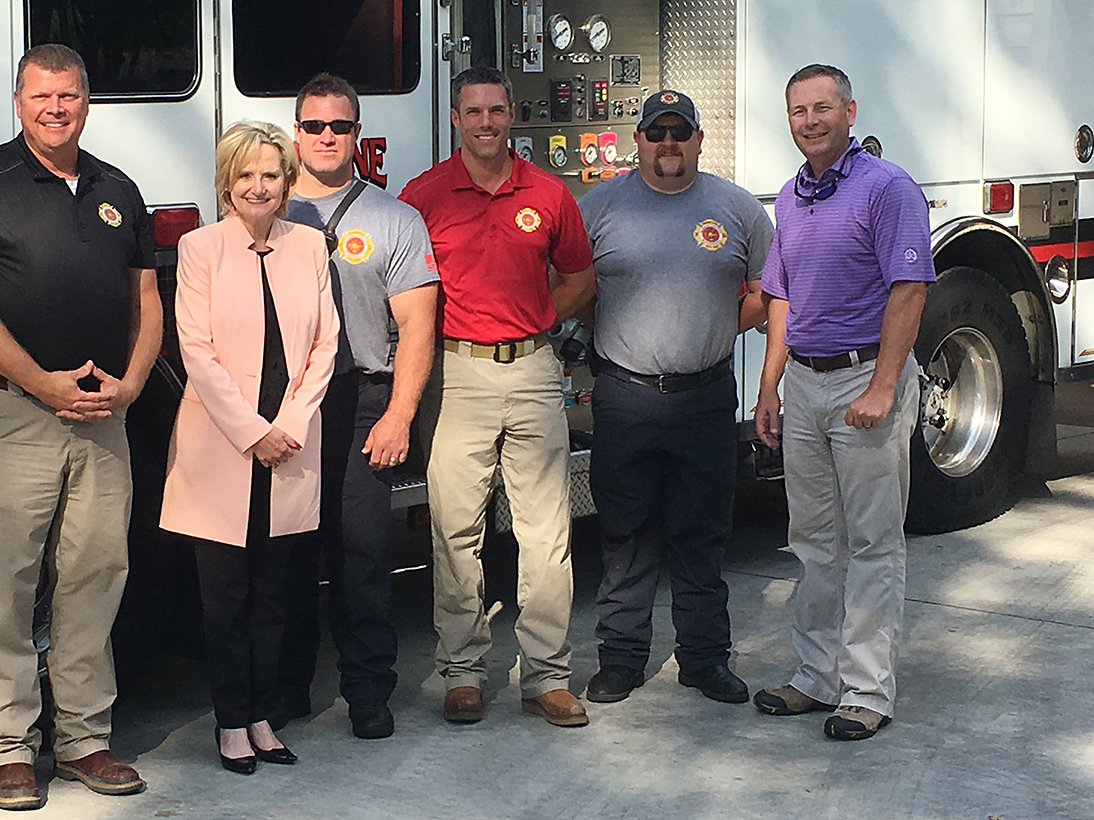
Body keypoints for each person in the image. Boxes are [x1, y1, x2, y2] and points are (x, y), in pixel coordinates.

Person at [0, 44, 159, 807]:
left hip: (100, 414)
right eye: (40, 97)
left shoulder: (116, 187)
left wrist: (128, 387)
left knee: (96, 575)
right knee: (2, 578)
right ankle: (10, 749)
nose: (54, 109)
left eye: (68, 96)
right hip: (10, 408)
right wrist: (39, 382)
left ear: (87, 101)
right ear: (17, 102)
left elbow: (148, 301)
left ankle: (86, 739)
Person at [399, 66, 596, 727]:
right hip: (455, 376)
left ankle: (546, 677)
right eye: (473, 111)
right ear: (455, 118)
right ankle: (463, 674)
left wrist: (537, 318)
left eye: (496, 110)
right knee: (455, 530)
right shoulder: (423, 196)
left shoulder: (547, 192)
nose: (486, 122)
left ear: (512, 114)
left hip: (535, 371)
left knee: (546, 532)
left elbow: (579, 276)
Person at [753, 64, 934, 741]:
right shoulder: (790, 195)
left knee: (872, 543)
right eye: (798, 111)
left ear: (850, 112)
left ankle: (866, 689)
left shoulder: (886, 189)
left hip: (865, 381)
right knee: (814, 541)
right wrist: (770, 386)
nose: (809, 121)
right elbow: (783, 298)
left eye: (822, 108)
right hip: (803, 384)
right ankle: (815, 676)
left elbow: (909, 289)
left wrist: (885, 386)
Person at [575, 90, 772, 706]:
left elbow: (770, 291)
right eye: (655, 132)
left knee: (702, 535)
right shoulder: (599, 207)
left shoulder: (737, 209)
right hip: (624, 396)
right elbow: (572, 288)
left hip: (705, 397)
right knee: (625, 536)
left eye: (678, 132)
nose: (667, 143)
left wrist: (716, 323)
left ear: (697, 138)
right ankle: (621, 659)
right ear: (637, 140)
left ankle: (705, 660)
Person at [160, 121, 339, 774]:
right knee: (225, 597)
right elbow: (197, 354)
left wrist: (287, 425)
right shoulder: (200, 248)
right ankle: (231, 721)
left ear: (287, 181)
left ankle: (263, 714)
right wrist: (253, 432)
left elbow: (325, 343)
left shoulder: (311, 247)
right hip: (223, 448)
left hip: (290, 447)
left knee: (275, 596)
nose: (257, 187)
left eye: (269, 174)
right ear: (225, 183)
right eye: (244, 175)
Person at [272, 73, 440, 740]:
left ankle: (368, 692)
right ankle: (285, 690)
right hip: (284, 405)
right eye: (313, 126)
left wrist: (400, 413)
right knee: (285, 556)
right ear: (296, 134)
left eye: (339, 126)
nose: (325, 137)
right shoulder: (266, 209)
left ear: (357, 134)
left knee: (362, 557)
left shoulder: (395, 219)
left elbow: (419, 326)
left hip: (362, 400)